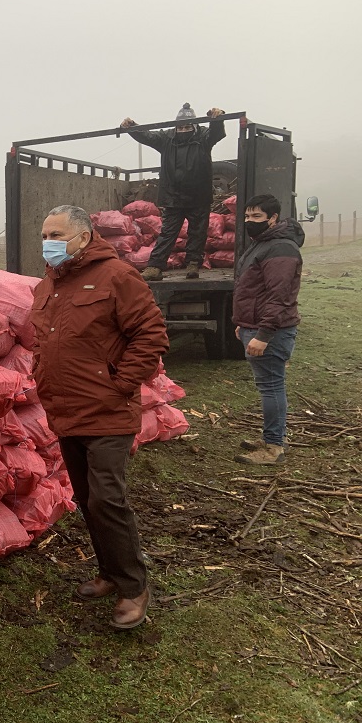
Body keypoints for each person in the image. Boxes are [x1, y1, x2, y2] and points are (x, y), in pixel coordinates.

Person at [30, 205, 169, 630]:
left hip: (107, 410)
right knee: (88, 497)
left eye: (56, 234)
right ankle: (109, 572)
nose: (48, 243)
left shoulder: (117, 277)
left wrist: (119, 384)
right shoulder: (47, 287)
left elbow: (151, 334)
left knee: (108, 498)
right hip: (67, 411)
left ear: (85, 237)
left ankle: (133, 586)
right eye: (44, 234)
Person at [232, 194, 304, 466]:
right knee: (269, 386)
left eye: (257, 217)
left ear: (273, 218)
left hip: (272, 331)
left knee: (271, 387)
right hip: (255, 325)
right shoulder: (262, 243)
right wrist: (244, 322)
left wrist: (263, 334)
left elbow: (279, 296)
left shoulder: (280, 249)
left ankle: (274, 447)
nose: (250, 221)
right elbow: (251, 289)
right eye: (247, 216)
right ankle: (272, 437)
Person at [121, 103, 226, 281]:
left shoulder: (203, 138)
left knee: (197, 232)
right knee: (168, 233)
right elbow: (147, 136)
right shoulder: (166, 138)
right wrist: (132, 127)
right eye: (180, 126)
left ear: (194, 126)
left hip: (198, 195)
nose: (183, 130)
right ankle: (155, 266)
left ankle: (193, 264)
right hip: (173, 196)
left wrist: (217, 118)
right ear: (176, 126)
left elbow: (217, 133)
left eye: (187, 126)